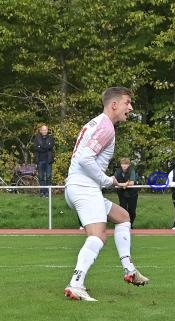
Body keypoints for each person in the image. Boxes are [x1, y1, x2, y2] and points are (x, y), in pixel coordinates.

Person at [63, 87, 149, 302]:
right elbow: (85, 159)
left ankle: (129, 269)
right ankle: (76, 284)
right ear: (114, 105)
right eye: (127, 102)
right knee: (98, 236)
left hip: (78, 187)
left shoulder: (96, 123)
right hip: (84, 188)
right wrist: (107, 180)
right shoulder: (106, 127)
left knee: (123, 217)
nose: (130, 107)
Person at [114, 157, 139, 227]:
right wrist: (123, 184)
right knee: (123, 209)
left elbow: (131, 183)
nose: (124, 165)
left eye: (126, 164)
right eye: (123, 164)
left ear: (129, 165)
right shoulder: (117, 171)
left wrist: (126, 183)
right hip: (122, 193)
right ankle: (124, 225)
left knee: (132, 211)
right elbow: (114, 181)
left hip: (132, 193)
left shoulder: (132, 171)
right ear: (121, 164)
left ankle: (130, 224)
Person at [34, 124, 55, 197]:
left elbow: (50, 146)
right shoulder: (37, 138)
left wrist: (42, 147)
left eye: (45, 130)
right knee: (41, 177)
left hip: (48, 160)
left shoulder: (51, 138)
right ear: (40, 130)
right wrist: (45, 147)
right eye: (43, 130)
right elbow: (36, 148)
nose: (44, 131)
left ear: (47, 130)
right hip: (40, 160)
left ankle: (48, 193)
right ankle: (42, 192)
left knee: (48, 177)